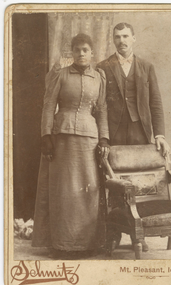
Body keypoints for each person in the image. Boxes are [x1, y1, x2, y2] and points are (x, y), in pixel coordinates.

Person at [32, 33, 109, 259]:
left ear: (92, 53)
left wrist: (104, 138)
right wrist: (46, 135)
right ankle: (61, 244)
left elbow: (102, 110)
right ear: (72, 53)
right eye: (77, 50)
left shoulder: (99, 78)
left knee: (87, 192)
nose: (81, 53)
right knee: (63, 191)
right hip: (62, 138)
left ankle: (86, 244)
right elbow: (48, 106)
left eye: (85, 50)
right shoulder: (61, 75)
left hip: (89, 139)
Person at [97, 22, 171, 252]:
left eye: (126, 36)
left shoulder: (146, 67)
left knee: (139, 182)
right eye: (117, 37)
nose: (122, 41)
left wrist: (159, 134)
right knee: (114, 180)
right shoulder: (103, 67)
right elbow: (99, 106)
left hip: (141, 131)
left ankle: (139, 235)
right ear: (113, 40)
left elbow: (155, 103)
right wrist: (104, 137)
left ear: (134, 38)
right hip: (114, 131)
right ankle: (113, 233)